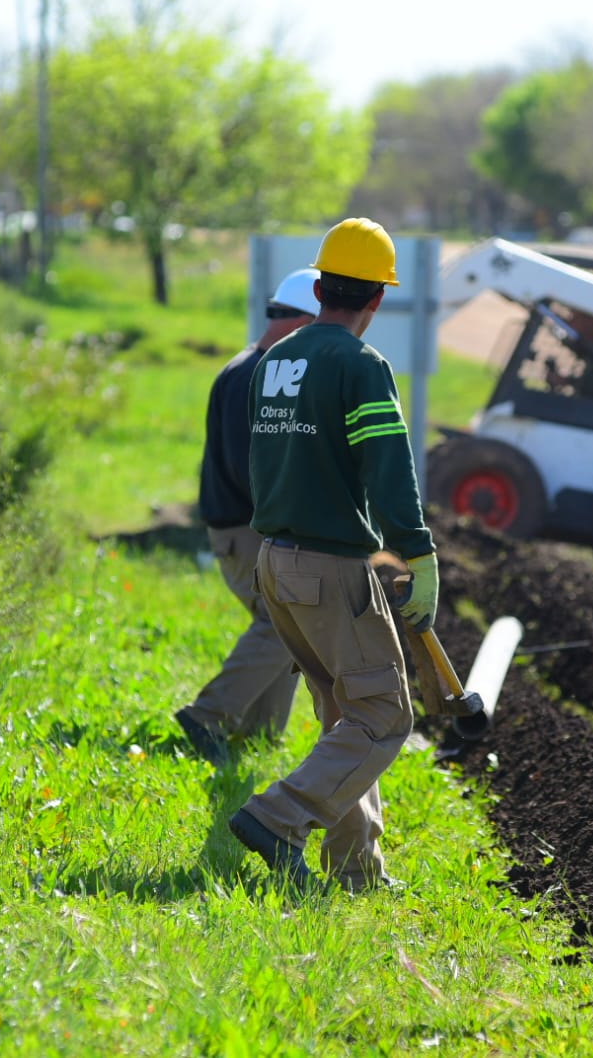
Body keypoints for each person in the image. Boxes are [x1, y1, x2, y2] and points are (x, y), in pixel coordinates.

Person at [225, 217, 438, 893]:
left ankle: (356, 869)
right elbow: (388, 468)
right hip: (330, 569)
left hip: (275, 562)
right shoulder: (359, 365)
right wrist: (418, 555)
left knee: (345, 714)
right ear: (378, 297)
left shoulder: (275, 361)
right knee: (384, 714)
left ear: (318, 289)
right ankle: (277, 817)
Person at [174, 269, 320, 768]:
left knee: (285, 624)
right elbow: (250, 467)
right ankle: (208, 716)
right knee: (290, 622)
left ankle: (259, 734)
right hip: (247, 530)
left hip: (244, 528)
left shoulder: (256, 367)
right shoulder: (255, 376)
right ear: (303, 322)